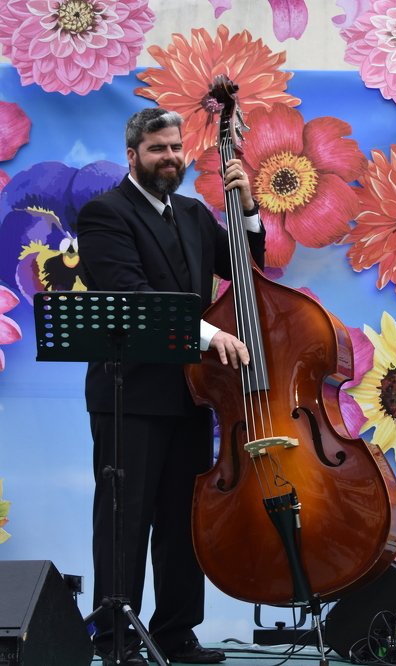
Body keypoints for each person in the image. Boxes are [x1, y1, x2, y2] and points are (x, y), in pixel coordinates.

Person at [77, 107, 265, 665]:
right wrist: (210, 335)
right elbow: (133, 295)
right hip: (129, 397)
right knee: (125, 521)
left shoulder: (193, 213)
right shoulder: (105, 214)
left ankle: (177, 633)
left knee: (185, 523)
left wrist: (247, 209)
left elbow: (247, 268)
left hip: (191, 394)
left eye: (176, 147)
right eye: (158, 148)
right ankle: (116, 639)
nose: (170, 157)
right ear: (132, 154)